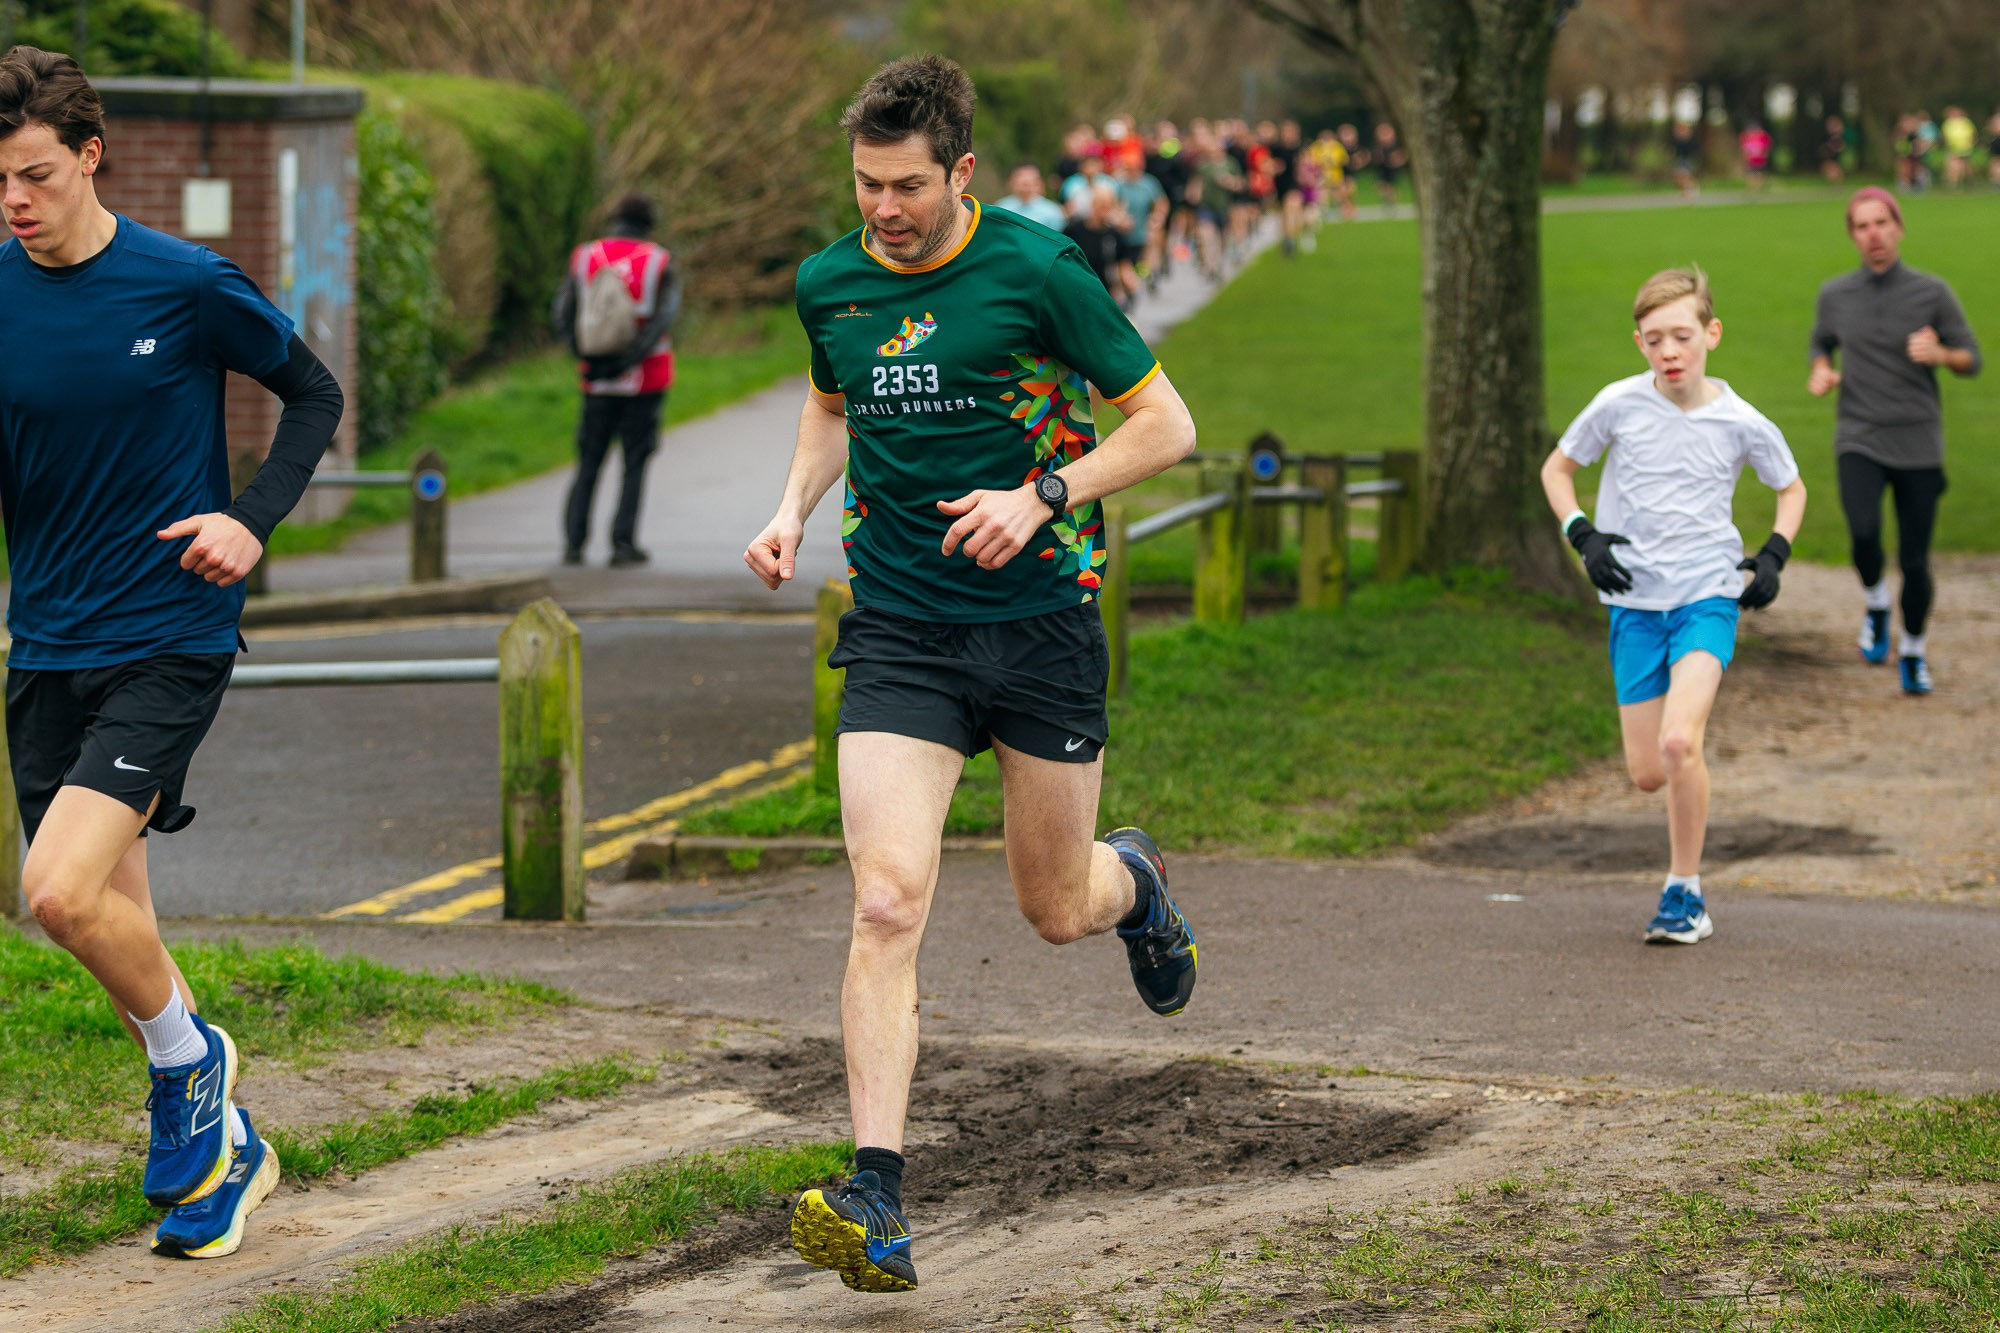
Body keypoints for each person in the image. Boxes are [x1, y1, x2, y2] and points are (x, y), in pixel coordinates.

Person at [745, 54, 1199, 1293]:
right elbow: (832, 408)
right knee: (887, 901)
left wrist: (1041, 492)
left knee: (1053, 907)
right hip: (899, 630)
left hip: (1043, 623)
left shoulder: (1039, 268)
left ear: (959, 173)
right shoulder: (828, 280)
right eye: (863, 186)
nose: (881, 210)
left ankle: (1137, 883)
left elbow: (1167, 426)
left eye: (904, 187)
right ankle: (875, 1193)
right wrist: (790, 507)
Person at [0, 45, 342, 1258]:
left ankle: (190, 1064)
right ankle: (226, 1151)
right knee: (104, 914)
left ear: (91, 156)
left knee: (52, 890)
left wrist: (251, 518)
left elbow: (313, 394)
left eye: (36, 176)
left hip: (168, 634)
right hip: (43, 644)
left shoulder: (185, 283)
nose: (16, 203)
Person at [1543, 267, 1804, 946]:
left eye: (1682, 335)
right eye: (1655, 338)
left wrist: (1773, 553)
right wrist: (1583, 534)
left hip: (1706, 595)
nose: (1670, 351)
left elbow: (1792, 488)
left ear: (1711, 334)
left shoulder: (1741, 419)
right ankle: (1681, 857)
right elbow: (1557, 470)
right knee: (1648, 772)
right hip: (1633, 602)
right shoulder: (1617, 405)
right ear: (1639, 343)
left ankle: (1683, 890)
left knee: (1680, 739)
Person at [1808, 187, 1982, 694]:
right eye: (1862, 226)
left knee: (1914, 559)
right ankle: (1877, 602)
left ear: (1898, 227)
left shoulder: (1931, 292)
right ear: (1853, 235)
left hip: (1917, 441)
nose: (1874, 234)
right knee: (1863, 534)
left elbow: (1973, 359)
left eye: (1881, 222)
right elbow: (1822, 340)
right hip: (1858, 433)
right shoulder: (1834, 294)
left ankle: (1912, 651)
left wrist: (1941, 354)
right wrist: (1821, 368)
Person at [551, 192, 680, 567]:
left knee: (589, 459)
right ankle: (623, 544)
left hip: (596, 379)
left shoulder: (585, 257)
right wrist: (629, 360)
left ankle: (574, 544)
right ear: (649, 224)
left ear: (614, 220)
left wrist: (587, 359)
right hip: (646, 379)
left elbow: (563, 312)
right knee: (634, 461)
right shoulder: (659, 262)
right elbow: (663, 320)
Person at [1064, 179, 1131, 302]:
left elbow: (1122, 262)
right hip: (1078, 286)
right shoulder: (1073, 229)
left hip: (1105, 289)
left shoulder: (1114, 234)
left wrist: (1127, 281)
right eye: (1100, 205)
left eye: (1107, 206)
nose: (1103, 210)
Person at [988, 162, 1066, 232]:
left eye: (1030, 181)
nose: (1026, 186)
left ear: (1040, 183)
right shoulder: (1001, 207)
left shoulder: (1053, 211)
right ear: (1011, 182)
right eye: (1022, 181)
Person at [1370, 121, 1406, 207]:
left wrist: (1397, 160)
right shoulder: (1377, 147)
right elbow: (1374, 158)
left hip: (1392, 168)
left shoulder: (1395, 146)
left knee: (1392, 185)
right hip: (1381, 169)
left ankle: (1393, 202)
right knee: (1382, 186)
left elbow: (1402, 156)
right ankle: (1386, 201)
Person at [1939, 107, 1975, 189]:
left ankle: (1970, 182)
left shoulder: (1966, 122)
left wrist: (1970, 144)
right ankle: (1952, 184)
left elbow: (1972, 134)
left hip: (1965, 147)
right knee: (1952, 166)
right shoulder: (1948, 123)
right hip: (1952, 148)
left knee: (1966, 167)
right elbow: (1944, 135)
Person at [1737, 120, 1771, 193]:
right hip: (1752, 159)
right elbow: (1744, 149)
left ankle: (1757, 189)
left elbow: (1766, 148)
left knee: (1757, 174)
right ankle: (1754, 189)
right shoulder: (1747, 138)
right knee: (1752, 174)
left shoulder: (1761, 137)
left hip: (1759, 159)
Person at [1669, 120, 1699, 198]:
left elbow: (1691, 150)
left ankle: (1689, 191)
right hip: (1679, 159)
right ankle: (1687, 190)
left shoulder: (1689, 139)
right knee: (1679, 177)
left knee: (1685, 176)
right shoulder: (1677, 139)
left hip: (1686, 159)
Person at [1818, 115, 1848, 184]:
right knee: (1831, 168)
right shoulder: (1826, 137)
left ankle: (1837, 182)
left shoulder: (1841, 136)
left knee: (1835, 169)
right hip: (1829, 156)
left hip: (1836, 157)